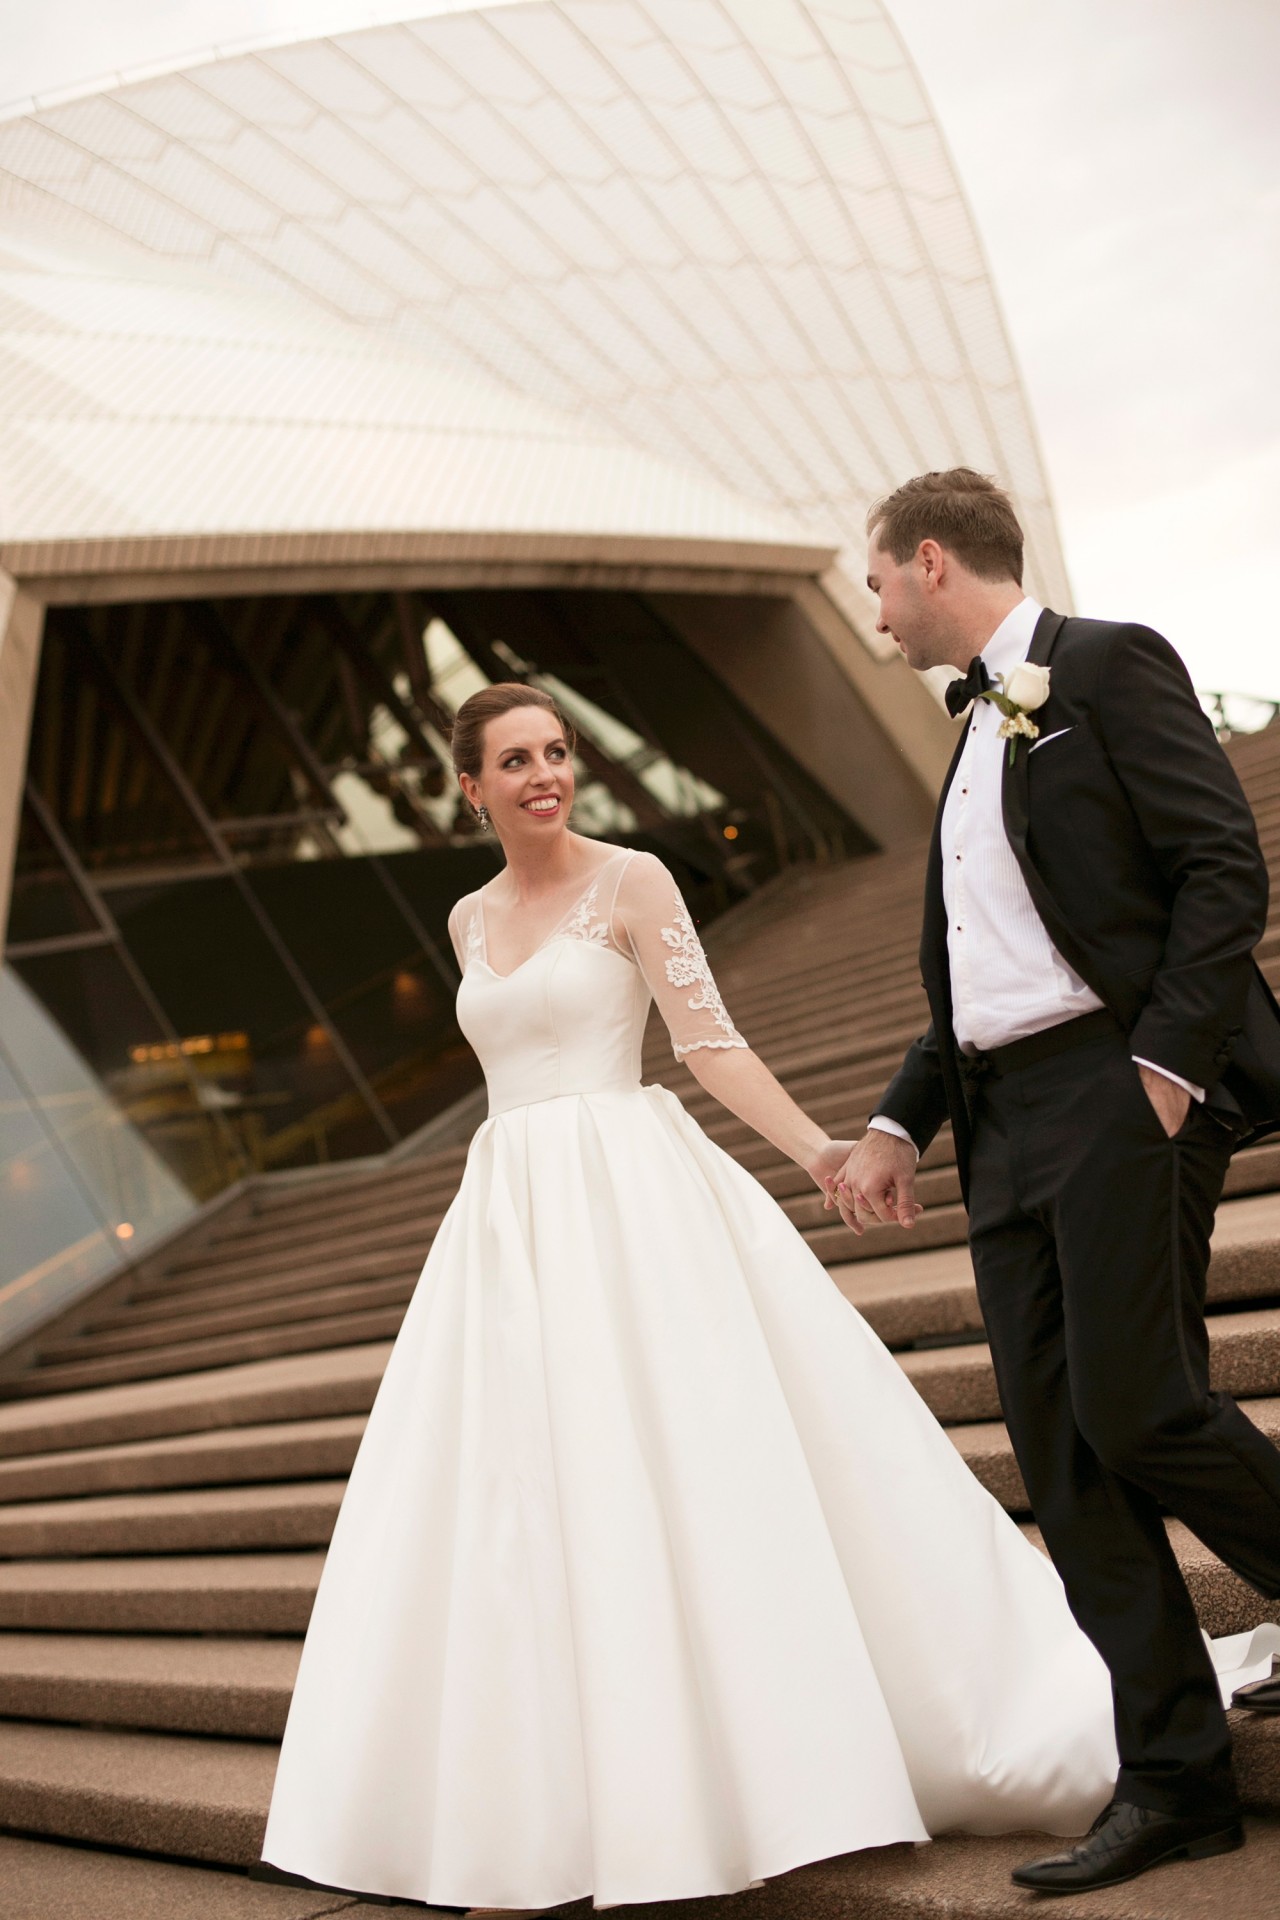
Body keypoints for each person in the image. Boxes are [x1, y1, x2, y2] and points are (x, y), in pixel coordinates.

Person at [261, 682, 1130, 1914]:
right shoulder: (463, 919)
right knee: (523, 1494)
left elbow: (705, 1040)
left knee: (680, 1462)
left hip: (628, 1198)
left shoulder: (635, 882)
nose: (544, 774)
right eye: (514, 761)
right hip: (507, 1220)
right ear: (470, 789)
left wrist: (817, 1151)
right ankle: (559, 1795)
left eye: (557, 751)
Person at [839, 468, 1280, 1897]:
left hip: (1117, 1088)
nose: (871, 609)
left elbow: (1222, 866)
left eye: (876, 582)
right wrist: (904, 1123)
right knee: (1065, 1457)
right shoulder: (969, 741)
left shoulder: (1105, 666)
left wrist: (1162, 1067)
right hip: (1003, 1123)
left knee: (1137, 1401)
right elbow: (978, 973)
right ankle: (1176, 1784)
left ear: (926, 561)